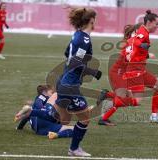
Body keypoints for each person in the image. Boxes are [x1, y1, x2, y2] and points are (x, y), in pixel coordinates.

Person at [98, 10, 158, 125]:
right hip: (134, 70)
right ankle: (108, 109)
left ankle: (154, 116)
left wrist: (144, 53)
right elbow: (135, 42)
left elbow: (132, 41)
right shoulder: (143, 33)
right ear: (149, 22)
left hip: (139, 69)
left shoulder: (141, 32)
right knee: (135, 101)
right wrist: (142, 45)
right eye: (157, 24)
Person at [54, 7, 102, 157]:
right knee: (85, 118)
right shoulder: (84, 39)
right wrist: (92, 71)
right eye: (95, 19)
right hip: (70, 85)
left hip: (64, 81)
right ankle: (74, 149)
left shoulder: (78, 35)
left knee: (65, 119)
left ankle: (36, 114)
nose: (96, 22)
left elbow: (67, 53)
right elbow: (75, 62)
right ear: (91, 21)